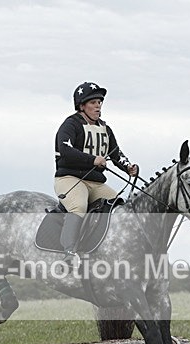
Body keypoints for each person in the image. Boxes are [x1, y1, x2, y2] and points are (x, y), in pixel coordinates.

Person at [54, 81, 139, 261]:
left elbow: (115, 153)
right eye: (93, 102)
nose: (98, 105)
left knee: (118, 206)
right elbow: (65, 150)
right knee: (79, 205)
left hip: (95, 183)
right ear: (82, 106)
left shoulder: (105, 128)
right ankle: (68, 253)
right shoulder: (71, 125)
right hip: (70, 179)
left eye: (100, 102)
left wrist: (128, 167)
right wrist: (92, 159)